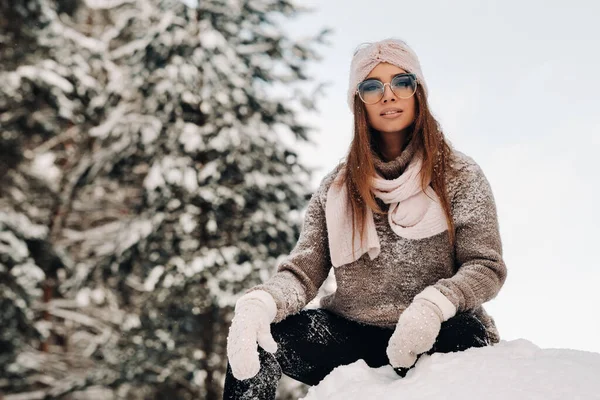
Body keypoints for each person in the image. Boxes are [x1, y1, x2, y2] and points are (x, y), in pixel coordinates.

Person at [222, 38, 507, 400]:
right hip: (353, 335)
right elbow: (304, 271)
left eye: (402, 82)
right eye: (372, 87)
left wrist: (433, 307)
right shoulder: (336, 189)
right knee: (259, 340)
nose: (388, 95)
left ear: (418, 92)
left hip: (439, 331)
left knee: (466, 335)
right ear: (359, 103)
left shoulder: (459, 175)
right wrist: (261, 304)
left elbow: (485, 265)